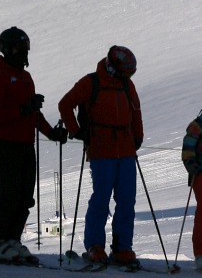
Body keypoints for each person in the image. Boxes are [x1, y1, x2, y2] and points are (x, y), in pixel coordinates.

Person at [0, 27, 68, 262]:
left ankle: (12, 240)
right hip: (7, 144)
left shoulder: (25, 77)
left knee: (24, 197)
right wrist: (24, 109)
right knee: (9, 195)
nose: (24, 54)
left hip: (25, 145)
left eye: (26, 49)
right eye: (19, 49)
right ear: (7, 49)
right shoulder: (0, 76)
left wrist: (52, 133)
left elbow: (33, 115)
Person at [59, 45, 144, 266]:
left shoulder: (125, 84)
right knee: (102, 199)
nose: (128, 76)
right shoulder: (91, 82)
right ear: (115, 68)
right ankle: (95, 246)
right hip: (102, 149)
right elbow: (65, 104)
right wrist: (76, 130)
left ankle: (122, 248)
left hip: (124, 149)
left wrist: (138, 136)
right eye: (127, 72)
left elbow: (135, 110)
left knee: (126, 200)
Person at [181, 102, 202, 272]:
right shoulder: (199, 123)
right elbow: (189, 142)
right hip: (201, 172)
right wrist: (190, 161)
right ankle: (201, 254)